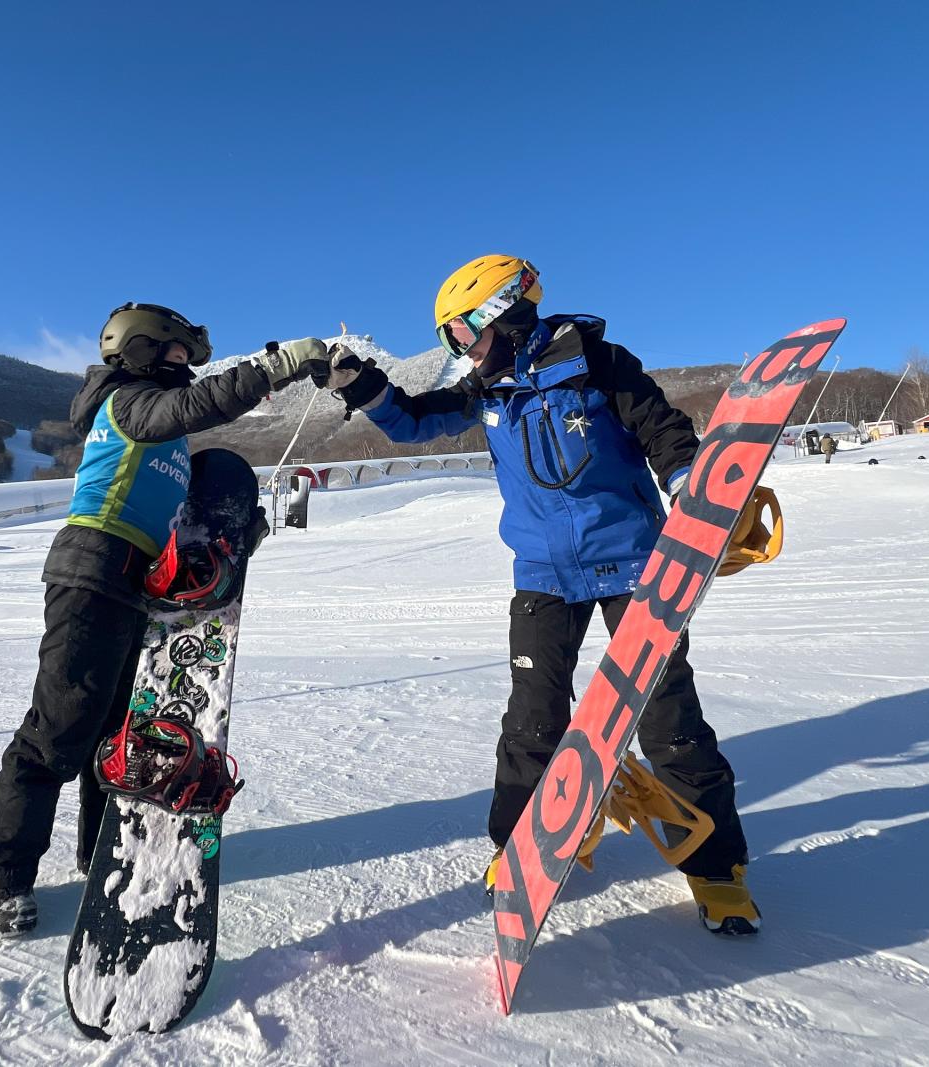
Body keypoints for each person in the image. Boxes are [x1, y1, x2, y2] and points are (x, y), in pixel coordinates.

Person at [322, 255, 760, 935]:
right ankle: (517, 843)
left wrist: (690, 487)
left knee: (668, 718)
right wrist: (370, 389)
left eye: (460, 335)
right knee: (532, 719)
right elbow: (414, 421)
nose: (458, 352)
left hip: (637, 566)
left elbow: (664, 431)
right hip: (543, 576)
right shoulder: (486, 391)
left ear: (502, 313)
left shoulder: (599, 361)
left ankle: (716, 866)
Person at [0, 302, 330, 937]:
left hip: (135, 581)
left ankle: (95, 856)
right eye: (176, 354)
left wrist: (235, 529)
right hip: (92, 568)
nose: (184, 368)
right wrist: (278, 368)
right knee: (58, 731)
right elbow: (196, 406)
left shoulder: (167, 435)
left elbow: (189, 499)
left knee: (113, 735)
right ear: (139, 352)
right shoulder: (127, 402)